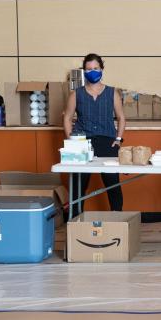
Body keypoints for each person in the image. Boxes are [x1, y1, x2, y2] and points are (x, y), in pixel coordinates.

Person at [63, 53, 126, 213]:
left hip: (108, 142)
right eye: (89, 69)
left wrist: (118, 139)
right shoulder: (76, 94)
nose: (92, 72)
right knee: (79, 186)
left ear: (102, 69)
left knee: (113, 184)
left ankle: (117, 219)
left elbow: (121, 117)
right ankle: (75, 222)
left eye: (96, 68)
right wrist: (71, 141)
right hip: (83, 143)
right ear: (84, 71)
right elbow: (68, 117)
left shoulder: (112, 93)